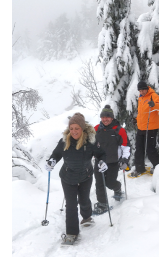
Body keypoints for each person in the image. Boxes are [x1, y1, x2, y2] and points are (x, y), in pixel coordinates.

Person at [46, 112, 108, 245]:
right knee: (71, 204)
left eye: (77, 128)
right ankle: (72, 233)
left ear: (82, 128)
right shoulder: (64, 141)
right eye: (72, 128)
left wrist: (103, 162)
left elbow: (101, 154)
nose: (74, 131)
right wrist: (51, 162)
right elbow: (56, 155)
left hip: (85, 176)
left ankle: (86, 217)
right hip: (68, 177)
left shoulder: (91, 141)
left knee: (84, 199)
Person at [93, 105, 131, 214]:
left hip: (113, 161)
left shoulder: (119, 130)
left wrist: (124, 159)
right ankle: (102, 204)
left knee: (109, 183)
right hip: (99, 161)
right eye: (103, 117)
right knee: (99, 183)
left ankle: (117, 188)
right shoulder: (96, 129)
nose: (105, 119)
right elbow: (90, 143)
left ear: (112, 118)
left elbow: (126, 146)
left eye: (108, 117)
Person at [129, 81, 159, 178]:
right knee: (139, 148)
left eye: (143, 89)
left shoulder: (153, 95)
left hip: (151, 127)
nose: (142, 92)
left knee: (150, 149)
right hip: (141, 127)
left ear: (147, 88)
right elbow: (142, 113)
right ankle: (139, 168)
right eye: (140, 90)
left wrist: (154, 105)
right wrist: (136, 120)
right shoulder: (140, 98)